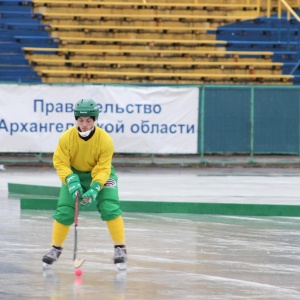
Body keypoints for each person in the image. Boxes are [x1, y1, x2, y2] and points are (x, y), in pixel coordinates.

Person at [42, 99, 127, 269]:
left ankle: (120, 248)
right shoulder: (67, 138)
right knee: (65, 210)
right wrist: (71, 180)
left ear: (94, 120)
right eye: (80, 120)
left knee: (109, 207)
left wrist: (95, 187)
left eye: (88, 120)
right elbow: (60, 162)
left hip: (102, 173)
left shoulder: (105, 140)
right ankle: (55, 248)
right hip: (74, 174)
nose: (84, 125)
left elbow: (103, 168)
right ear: (76, 120)